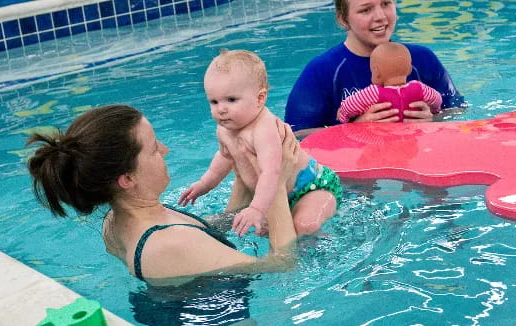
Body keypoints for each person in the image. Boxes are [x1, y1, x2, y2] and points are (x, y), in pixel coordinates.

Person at [26, 104, 299, 286]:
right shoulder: (167, 244)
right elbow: (283, 264)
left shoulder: (117, 219)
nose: (166, 150)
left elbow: (206, 239)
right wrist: (275, 181)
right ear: (127, 179)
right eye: (154, 149)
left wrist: (244, 166)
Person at [178, 50, 343, 236]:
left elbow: (271, 172)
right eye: (214, 102)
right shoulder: (224, 129)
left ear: (260, 98)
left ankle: (320, 247)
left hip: (311, 187)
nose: (221, 109)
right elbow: (224, 157)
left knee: (305, 226)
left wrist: (256, 209)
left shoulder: (264, 129)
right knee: (252, 227)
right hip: (277, 193)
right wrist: (204, 184)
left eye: (231, 100)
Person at [285, 0, 465, 138]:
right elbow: (296, 135)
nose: (380, 16)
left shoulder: (422, 59)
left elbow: (458, 109)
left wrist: (433, 120)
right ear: (343, 19)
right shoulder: (321, 71)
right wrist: (354, 130)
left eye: (386, 3)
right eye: (365, 9)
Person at [337, 41, 442, 123]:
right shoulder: (419, 88)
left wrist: (342, 115)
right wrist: (434, 110)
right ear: (410, 69)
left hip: (384, 140)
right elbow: (437, 99)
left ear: (376, 72)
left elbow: (350, 106)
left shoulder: (373, 92)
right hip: (411, 140)